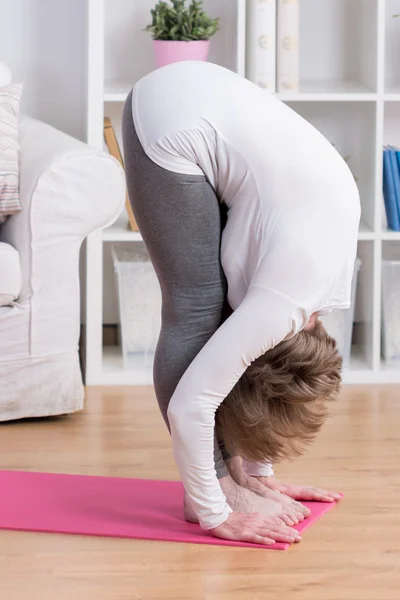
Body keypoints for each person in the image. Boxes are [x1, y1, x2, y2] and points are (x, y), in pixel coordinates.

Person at [122, 61, 360, 546]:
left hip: (203, 90)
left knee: (219, 324)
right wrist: (218, 513)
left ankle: (234, 481)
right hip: (170, 120)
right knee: (195, 308)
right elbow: (193, 406)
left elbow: (252, 372)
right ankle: (210, 490)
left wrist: (261, 473)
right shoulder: (281, 299)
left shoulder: (318, 299)